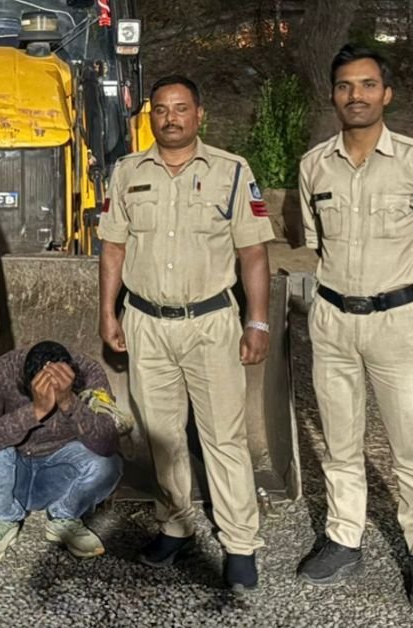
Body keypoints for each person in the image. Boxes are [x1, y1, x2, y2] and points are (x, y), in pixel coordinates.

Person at [295, 44, 413, 610]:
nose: (355, 95)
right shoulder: (314, 165)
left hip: (397, 322)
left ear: (386, 94)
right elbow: (317, 244)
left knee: (409, 442)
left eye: (367, 85)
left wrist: (400, 288)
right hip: (333, 321)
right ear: (333, 95)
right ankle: (344, 537)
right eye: (345, 86)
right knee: (340, 441)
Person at [97, 75, 274, 591]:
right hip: (146, 324)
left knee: (223, 436)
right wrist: (108, 313)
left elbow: (253, 252)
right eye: (160, 109)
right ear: (149, 116)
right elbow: (113, 248)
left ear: (199, 114)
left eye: (180, 108)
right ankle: (174, 525)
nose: (170, 118)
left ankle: (240, 542)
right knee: (163, 437)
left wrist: (257, 320)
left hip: (211, 323)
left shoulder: (232, 172)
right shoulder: (127, 172)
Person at [0, 341, 127, 562]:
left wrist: (69, 402)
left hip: (59, 472)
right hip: (13, 471)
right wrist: (36, 410)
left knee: (108, 464)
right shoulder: (3, 370)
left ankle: (65, 517)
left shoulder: (88, 371)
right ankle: (4, 517)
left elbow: (108, 443)